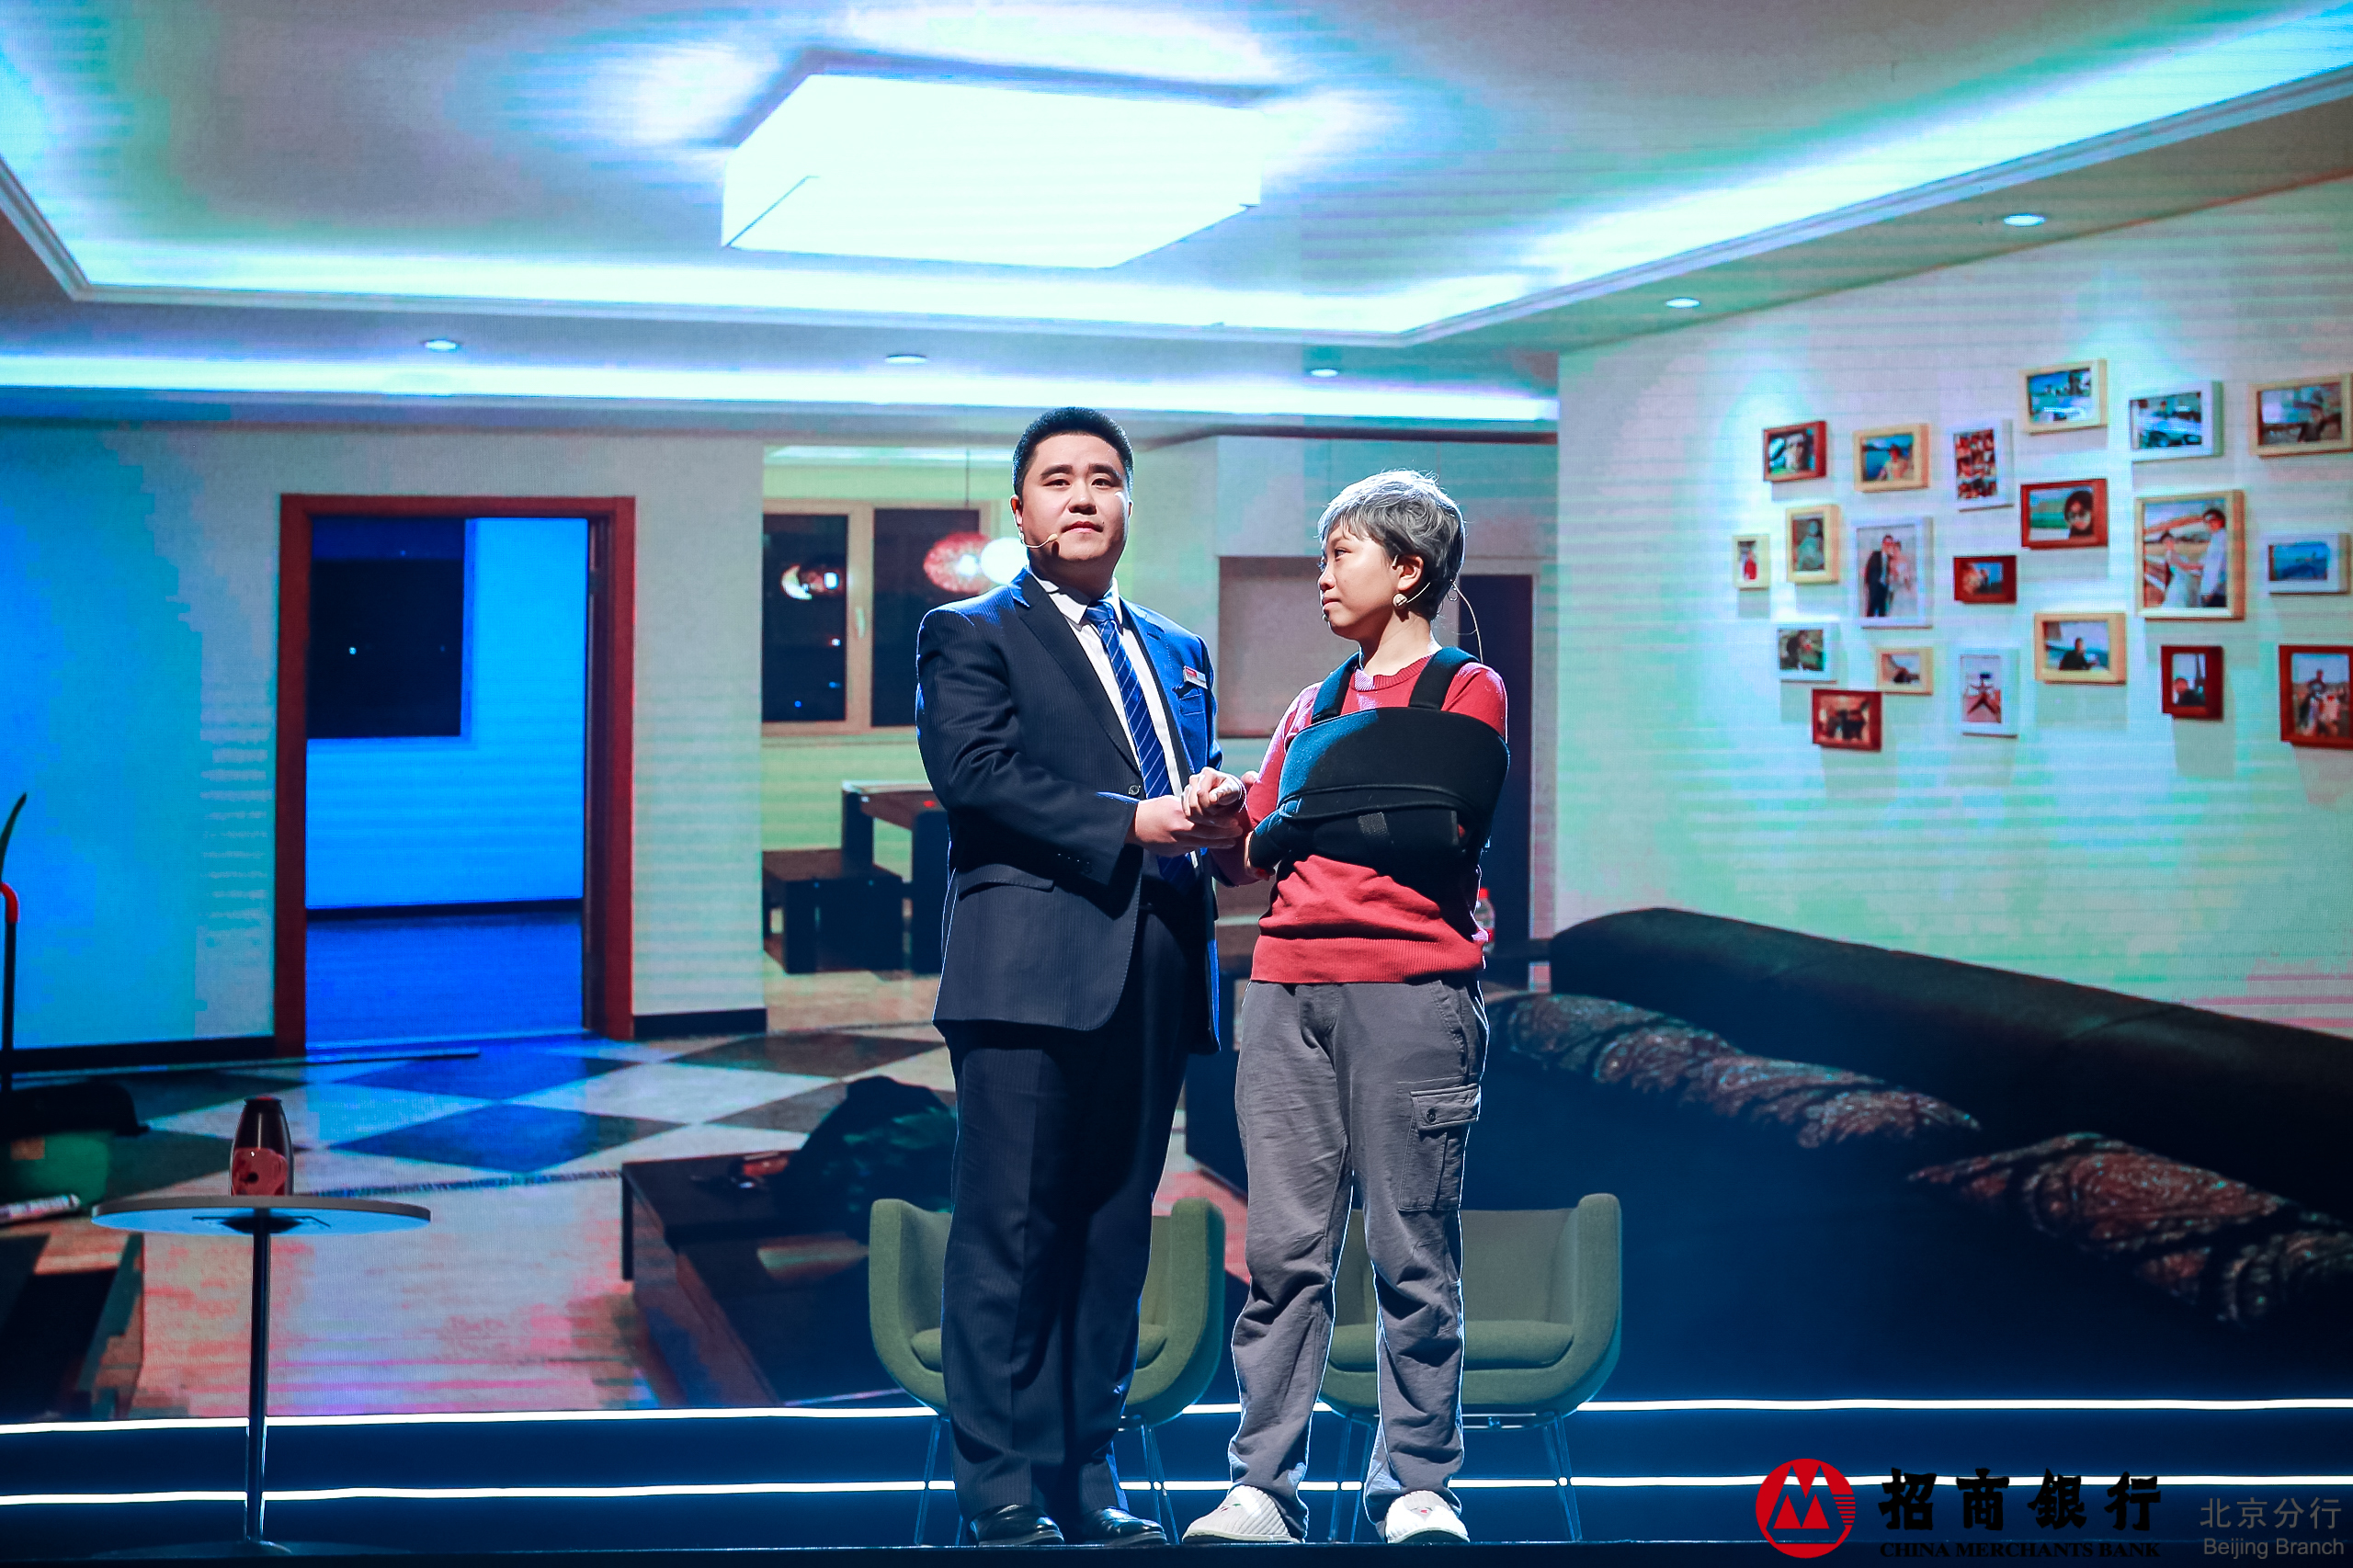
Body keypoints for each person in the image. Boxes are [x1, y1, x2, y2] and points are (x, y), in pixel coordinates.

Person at [914, 406, 1245, 1548]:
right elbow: (977, 776)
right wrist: (1136, 819)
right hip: (1027, 975)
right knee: (1011, 1234)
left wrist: (1214, 809)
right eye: (1057, 479)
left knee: (1114, 1233)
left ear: (1126, 503)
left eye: (1102, 477)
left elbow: (1181, 783)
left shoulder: (1177, 647)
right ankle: (999, 1482)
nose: (1082, 496)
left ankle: (1082, 1469)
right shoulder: (969, 632)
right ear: (1020, 509)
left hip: (1156, 968)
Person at [1182, 472, 1506, 1549]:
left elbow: (1428, 817)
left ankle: (1416, 1482)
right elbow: (1250, 853)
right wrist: (1229, 814)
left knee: (1412, 1253)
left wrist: (1298, 815)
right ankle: (1262, 1487)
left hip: (1409, 993)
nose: (1321, 575)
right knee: (1283, 1256)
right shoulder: (1309, 707)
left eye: (1341, 553)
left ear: (1407, 570)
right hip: (1285, 990)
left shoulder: (1465, 688)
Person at [2199, 506, 2231, 608]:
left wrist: (2210, 591)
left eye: (2213, 520)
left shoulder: (2222, 538)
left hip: (2216, 592)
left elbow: (2218, 567)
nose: (2210, 524)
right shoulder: (2215, 538)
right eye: (2207, 522)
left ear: (2221, 520)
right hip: (2212, 591)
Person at [1865, 535, 1893, 619]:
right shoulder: (1875, 555)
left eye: (1890, 544)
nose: (1887, 546)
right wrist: (1868, 585)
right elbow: (1868, 571)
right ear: (1882, 544)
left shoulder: (1891, 558)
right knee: (1871, 608)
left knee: (1882, 610)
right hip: (1874, 587)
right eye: (1886, 543)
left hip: (1885, 588)